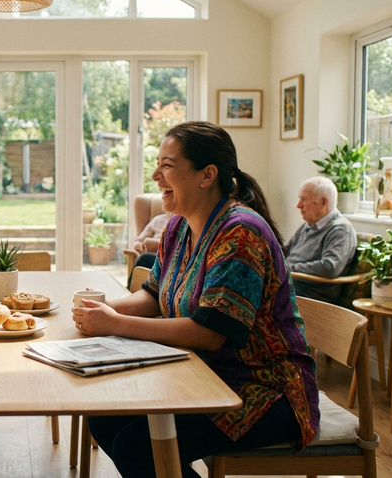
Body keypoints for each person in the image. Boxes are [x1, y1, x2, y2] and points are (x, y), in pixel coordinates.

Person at [72, 121, 320, 477]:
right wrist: (103, 309)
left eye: (168, 165)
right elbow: (153, 295)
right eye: (158, 164)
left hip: (266, 391)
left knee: (137, 448)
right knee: (105, 420)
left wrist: (115, 323)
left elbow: (210, 332)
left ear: (207, 175)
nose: (156, 175)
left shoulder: (241, 233)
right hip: (203, 374)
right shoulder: (177, 225)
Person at [286, 176, 357, 303]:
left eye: (304, 199)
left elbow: (330, 267)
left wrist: (290, 268)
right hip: (291, 284)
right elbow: (286, 250)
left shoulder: (340, 229)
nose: (299, 205)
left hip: (310, 293)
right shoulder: (309, 224)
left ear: (323, 202)